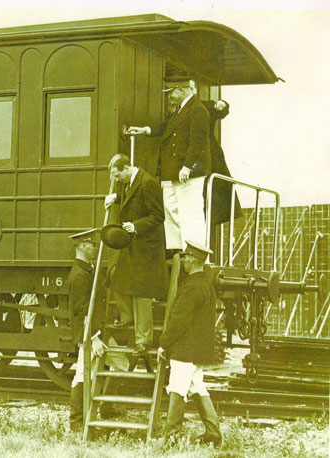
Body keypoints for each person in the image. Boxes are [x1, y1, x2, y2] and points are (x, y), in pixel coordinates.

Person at [126, 80, 211, 251]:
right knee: (172, 212)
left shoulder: (198, 110)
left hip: (187, 173)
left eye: (171, 92)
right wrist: (145, 130)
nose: (169, 97)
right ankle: (178, 250)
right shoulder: (182, 110)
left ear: (181, 90)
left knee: (190, 213)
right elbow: (168, 128)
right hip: (173, 172)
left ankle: (195, 253)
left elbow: (198, 141)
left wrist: (187, 166)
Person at [158, 240, 222, 446]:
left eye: (186, 257)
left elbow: (178, 321)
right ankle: (213, 433)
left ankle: (171, 438)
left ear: (193, 259)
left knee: (177, 387)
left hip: (185, 350)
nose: (183, 260)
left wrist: (164, 344)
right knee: (197, 387)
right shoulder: (206, 285)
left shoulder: (191, 286)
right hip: (198, 352)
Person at [103, 154, 168, 356]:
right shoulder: (130, 182)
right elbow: (131, 199)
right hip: (134, 244)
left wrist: (136, 226)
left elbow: (158, 216)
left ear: (126, 168)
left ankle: (143, 340)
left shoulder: (148, 183)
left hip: (147, 247)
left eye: (118, 176)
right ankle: (127, 316)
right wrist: (116, 198)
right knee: (114, 277)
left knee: (142, 293)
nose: (117, 181)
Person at [67, 228, 129, 432]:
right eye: (91, 244)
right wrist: (92, 338)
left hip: (99, 333)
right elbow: (80, 310)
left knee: (122, 364)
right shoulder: (78, 275)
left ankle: (105, 406)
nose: (94, 247)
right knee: (83, 375)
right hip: (90, 335)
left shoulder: (87, 270)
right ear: (82, 246)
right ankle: (77, 422)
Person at [203, 99, 242, 227]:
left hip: (210, 153)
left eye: (192, 88)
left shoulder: (205, 106)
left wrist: (221, 105)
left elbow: (221, 112)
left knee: (216, 190)